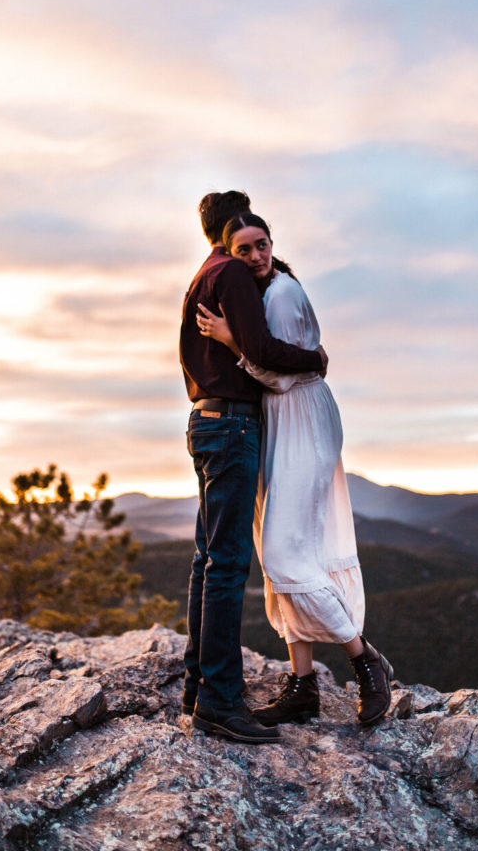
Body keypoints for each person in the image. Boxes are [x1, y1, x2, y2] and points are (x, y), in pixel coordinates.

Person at [196, 212, 394, 726]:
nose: (257, 256)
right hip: (285, 421)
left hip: (301, 416)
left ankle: (364, 659)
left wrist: (230, 341)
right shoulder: (268, 292)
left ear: (271, 245)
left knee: (284, 552)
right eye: (245, 250)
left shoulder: (280, 294)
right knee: (284, 548)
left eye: (262, 245)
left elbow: (283, 377)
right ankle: (302, 683)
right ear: (231, 254)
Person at [179, 191, 328, 745]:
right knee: (226, 565)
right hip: (232, 425)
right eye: (243, 241)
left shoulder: (203, 274)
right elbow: (262, 348)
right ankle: (218, 700)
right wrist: (314, 359)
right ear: (226, 234)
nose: (252, 252)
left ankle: (200, 688)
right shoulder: (233, 275)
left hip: (206, 421)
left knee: (208, 559)